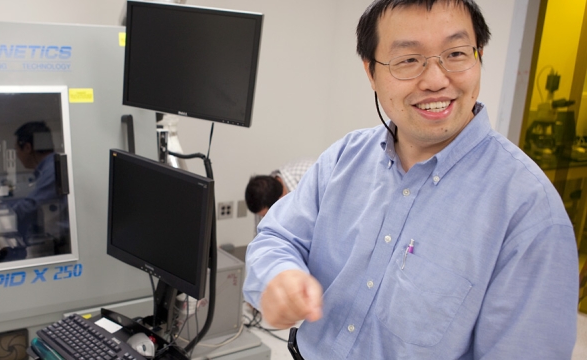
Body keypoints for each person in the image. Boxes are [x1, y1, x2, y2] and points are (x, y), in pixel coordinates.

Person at [242, 0, 579, 358]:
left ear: (479, 56)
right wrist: (279, 275)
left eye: (456, 53)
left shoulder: (529, 211)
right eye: (408, 59)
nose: (435, 80)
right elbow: (277, 237)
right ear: (371, 72)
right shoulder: (345, 157)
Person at [5, 121, 71, 257]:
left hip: (65, 243)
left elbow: (31, 206)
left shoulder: (53, 170)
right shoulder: (50, 167)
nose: (17, 155)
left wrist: (3, 215)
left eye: (17, 150)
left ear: (27, 148)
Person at [245, 157, 315, 218]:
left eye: (266, 216)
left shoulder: (310, 175)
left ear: (279, 201)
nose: (266, 219)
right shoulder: (261, 201)